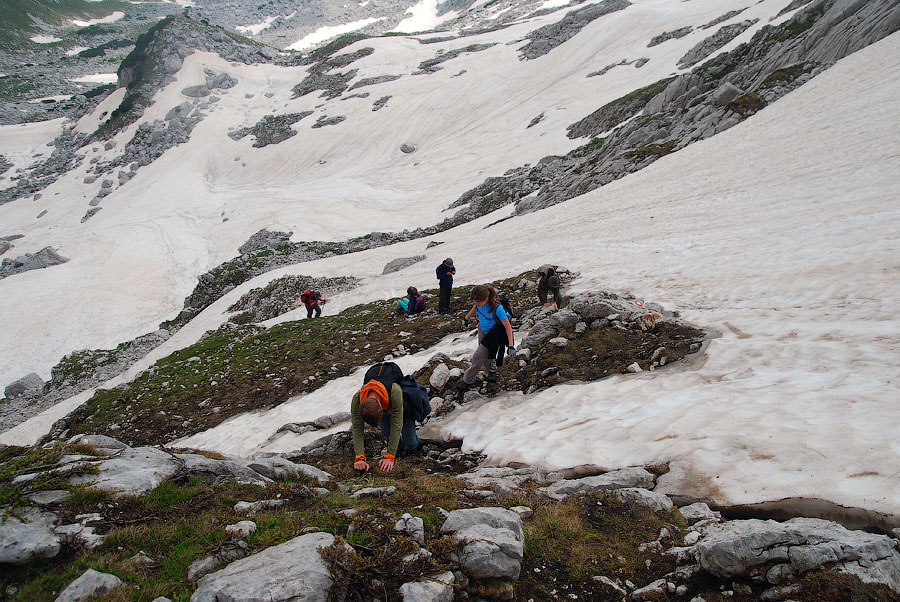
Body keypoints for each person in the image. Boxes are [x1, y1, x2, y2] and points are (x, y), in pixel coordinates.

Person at [351, 363, 419, 472]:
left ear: (380, 405)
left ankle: (413, 451)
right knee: (388, 435)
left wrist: (389, 456)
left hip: (402, 407)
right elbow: (357, 428)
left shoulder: (394, 391)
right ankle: (399, 450)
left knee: (410, 440)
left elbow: (397, 423)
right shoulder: (356, 400)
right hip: (382, 406)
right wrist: (359, 457)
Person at [461, 284, 515, 386]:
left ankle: (468, 380)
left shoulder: (498, 308)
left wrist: (511, 346)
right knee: (486, 353)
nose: (475, 303)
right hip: (482, 329)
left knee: (477, 356)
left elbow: (508, 327)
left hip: (494, 334)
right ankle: (492, 371)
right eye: (474, 301)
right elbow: (475, 308)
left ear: (486, 299)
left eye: (477, 301)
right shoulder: (479, 303)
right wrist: (466, 318)